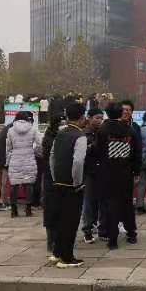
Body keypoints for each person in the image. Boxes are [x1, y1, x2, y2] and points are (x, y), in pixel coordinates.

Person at [95, 102, 142, 249]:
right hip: (126, 173)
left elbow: (98, 151)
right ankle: (131, 233)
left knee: (110, 205)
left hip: (108, 173)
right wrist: (136, 171)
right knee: (127, 204)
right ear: (120, 112)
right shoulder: (130, 130)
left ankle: (112, 239)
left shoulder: (103, 130)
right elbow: (137, 152)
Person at [49, 103, 87, 268]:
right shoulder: (80, 136)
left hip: (58, 182)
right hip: (72, 185)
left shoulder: (60, 133)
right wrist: (77, 182)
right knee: (71, 222)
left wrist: (55, 176)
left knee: (60, 220)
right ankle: (67, 258)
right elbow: (78, 161)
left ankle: (57, 253)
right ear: (81, 117)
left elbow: (52, 156)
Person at [6, 111, 41, 218]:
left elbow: (8, 147)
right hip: (29, 158)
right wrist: (35, 152)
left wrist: (8, 161)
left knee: (14, 184)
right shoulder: (33, 129)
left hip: (15, 159)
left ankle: (14, 210)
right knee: (29, 183)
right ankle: (28, 209)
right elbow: (40, 143)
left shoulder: (11, 130)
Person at [79, 108, 105, 242]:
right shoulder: (83, 134)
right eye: (97, 118)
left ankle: (102, 228)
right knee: (89, 202)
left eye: (101, 118)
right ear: (89, 118)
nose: (99, 120)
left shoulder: (103, 133)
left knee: (103, 202)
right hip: (89, 172)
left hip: (103, 171)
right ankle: (87, 230)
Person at [41, 113, 64, 261]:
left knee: (55, 209)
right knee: (52, 209)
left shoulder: (49, 137)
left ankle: (55, 240)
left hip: (53, 176)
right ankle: (52, 241)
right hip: (53, 177)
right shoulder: (53, 138)